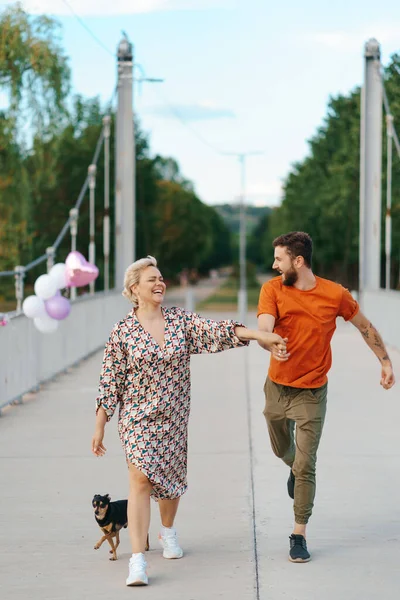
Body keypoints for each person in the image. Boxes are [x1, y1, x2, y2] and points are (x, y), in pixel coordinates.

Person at [91, 255, 287, 586]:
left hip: (173, 419)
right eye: (151, 279)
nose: (159, 283)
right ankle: (137, 561)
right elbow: (110, 380)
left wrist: (259, 336)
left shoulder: (180, 322)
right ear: (134, 289)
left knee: (169, 482)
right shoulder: (122, 331)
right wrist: (100, 424)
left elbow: (218, 331)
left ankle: (168, 532)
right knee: (139, 480)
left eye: (161, 277)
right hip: (137, 420)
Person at [257, 231, 396, 563]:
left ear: (298, 261)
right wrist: (270, 340)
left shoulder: (335, 294)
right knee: (282, 449)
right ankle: (292, 465)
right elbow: (264, 326)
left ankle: (298, 534)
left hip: (313, 391)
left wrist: (386, 361)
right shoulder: (272, 289)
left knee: (307, 465)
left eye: (279, 259)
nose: (274, 265)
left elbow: (364, 326)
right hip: (277, 386)